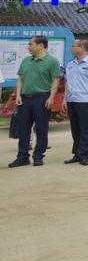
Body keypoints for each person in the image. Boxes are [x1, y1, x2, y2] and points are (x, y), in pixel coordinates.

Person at [8, 35, 60, 168]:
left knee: (41, 128)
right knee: (23, 129)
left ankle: (38, 156)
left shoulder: (52, 61)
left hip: (42, 98)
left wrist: (51, 97)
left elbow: (55, 80)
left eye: (31, 44)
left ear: (41, 45)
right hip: (25, 99)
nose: (28, 47)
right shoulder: (26, 60)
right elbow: (20, 79)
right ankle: (22, 157)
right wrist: (18, 95)